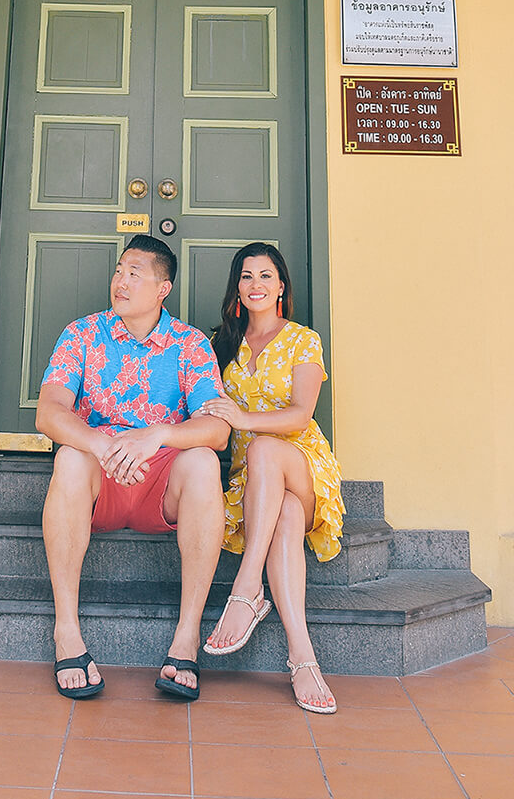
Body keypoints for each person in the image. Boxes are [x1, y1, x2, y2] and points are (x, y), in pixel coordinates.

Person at [35, 234, 230, 703]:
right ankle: (66, 631)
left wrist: (157, 435)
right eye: (119, 270)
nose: (120, 281)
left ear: (163, 288)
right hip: (100, 475)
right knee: (68, 455)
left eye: (134, 273)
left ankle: (186, 639)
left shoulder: (190, 344)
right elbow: (49, 413)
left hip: (159, 485)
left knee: (204, 462)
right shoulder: (82, 333)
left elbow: (218, 431)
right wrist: (103, 445)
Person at [199, 242, 344, 714]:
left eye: (265, 276)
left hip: (302, 466)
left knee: (265, 449)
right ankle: (303, 658)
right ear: (236, 288)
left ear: (281, 286)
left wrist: (242, 419)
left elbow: (301, 414)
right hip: (257, 486)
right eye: (246, 277)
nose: (255, 285)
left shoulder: (304, 339)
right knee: (281, 511)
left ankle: (246, 588)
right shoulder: (221, 344)